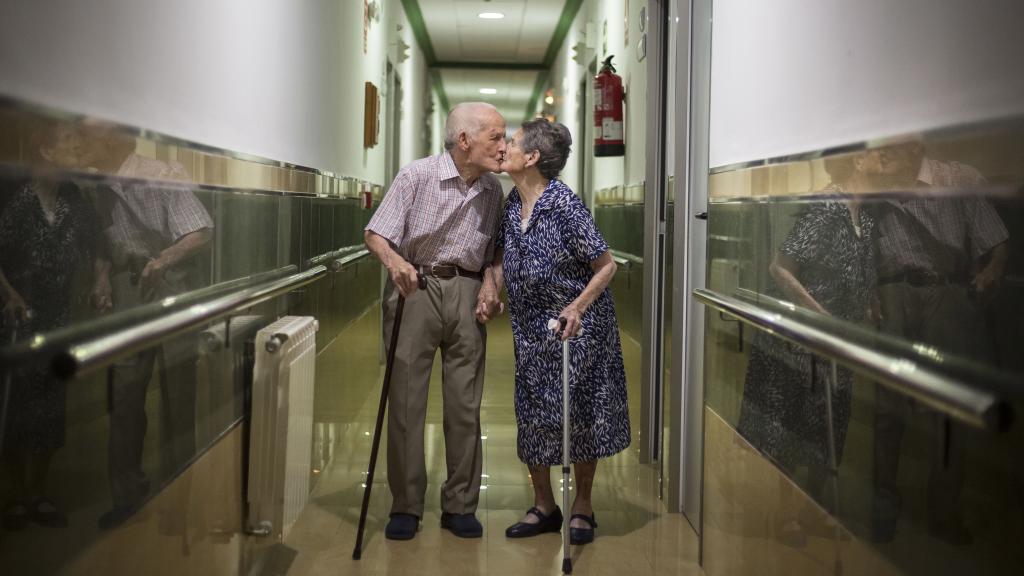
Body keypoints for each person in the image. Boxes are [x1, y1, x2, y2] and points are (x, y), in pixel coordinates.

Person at [481, 118, 630, 546]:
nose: (504, 146)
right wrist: (493, 285)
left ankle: (582, 504)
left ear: (531, 158)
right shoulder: (513, 204)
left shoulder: (564, 205)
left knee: (576, 416)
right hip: (530, 332)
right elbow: (500, 255)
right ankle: (544, 505)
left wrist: (576, 307)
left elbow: (606, 265)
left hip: (577, 330)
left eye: (511, 142)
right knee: (532, 416)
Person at [363, 102, 506, 540]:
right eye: (495, 137)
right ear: (465, 141)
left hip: (465, 293)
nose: (504, 146)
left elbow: (496, 253)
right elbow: (375, 233)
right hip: (416, 287)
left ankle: (460, 504)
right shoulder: (417, 176)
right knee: (406, 401)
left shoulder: (493, 191)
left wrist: (491, 284)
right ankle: (406, 504)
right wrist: (394, 262)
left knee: (465, 405)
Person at [867, 142, 1008, 545]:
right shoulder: (880, 184)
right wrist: (869, 288)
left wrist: (993, 272)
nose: (881, 156)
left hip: (945, 294)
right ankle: (883, 510)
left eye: (890, 149)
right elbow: (860, 241)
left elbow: (996, 239)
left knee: (947, 408)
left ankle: (944, 512)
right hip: (894, 294)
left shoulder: (955, 179)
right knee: (887, 406)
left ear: (913, 149)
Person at [736, 152, 878, 546]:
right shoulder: (826, 208)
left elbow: (860, 272)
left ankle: (815, 510)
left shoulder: (863, 217)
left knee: (829, 423)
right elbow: (780, 268)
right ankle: (785, 515)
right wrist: (819, 314)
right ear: (859, 161)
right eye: (877, 154)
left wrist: (869, 307)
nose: (885, 161)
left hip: (837, 341)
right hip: (803, 337)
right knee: (793, 422)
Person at [85, 126, 214, 530]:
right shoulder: (97, 185)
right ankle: (126, 495)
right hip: (129, 288)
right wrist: (101, 278)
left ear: (114, 139)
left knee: (178, 391)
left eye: (91, 136)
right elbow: (103, 245)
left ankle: (179, 495)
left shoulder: (160, 174)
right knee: (124, 395)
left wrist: (163, 260)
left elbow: (201, 230)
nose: (82, 143)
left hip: (169, 284)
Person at [0, 121, 104, 530]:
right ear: (44, 150)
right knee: (11, 406)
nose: (79, 150)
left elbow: (98, 245)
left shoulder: (75, 198)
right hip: (11, 318)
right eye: (71, 142)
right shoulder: (10, 193)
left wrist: (99, 278)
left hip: (57, 317)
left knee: (48, 407)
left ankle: (36, 493)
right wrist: (7, 293)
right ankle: (11, 495)